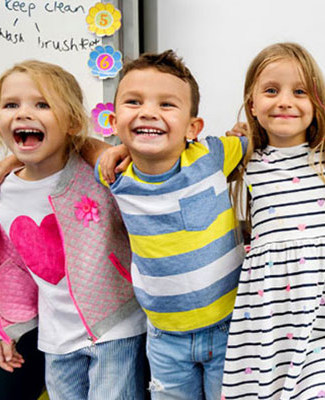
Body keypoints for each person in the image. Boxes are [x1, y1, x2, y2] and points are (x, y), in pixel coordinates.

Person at [0, 60, 146, 399]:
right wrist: (5, 329)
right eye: (11, 105)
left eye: (42, 104)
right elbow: (11, 271)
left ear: (71, 122)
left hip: (116, 326)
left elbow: (141, 157)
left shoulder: (98, 171)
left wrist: (94, 147)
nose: (24, 113)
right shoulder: (3, 195)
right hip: (56, 340)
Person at [95, 50, 248, 399]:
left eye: (166, 105)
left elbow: (275, 137)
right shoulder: (114, 175)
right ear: (114, 120)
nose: (148, 111)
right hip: (165, 337)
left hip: (230, 326)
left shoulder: (213, 155)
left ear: (193, 127)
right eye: (133, 102)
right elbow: (67, 146)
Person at [221, 42, 325, 400]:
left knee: (318, 390)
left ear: (317, 102)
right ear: (252, 103)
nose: (285, 101)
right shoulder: (245, 157)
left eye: (300, 92)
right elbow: (179, 157)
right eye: (271, 91)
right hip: (266, 310)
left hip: (321, 308)